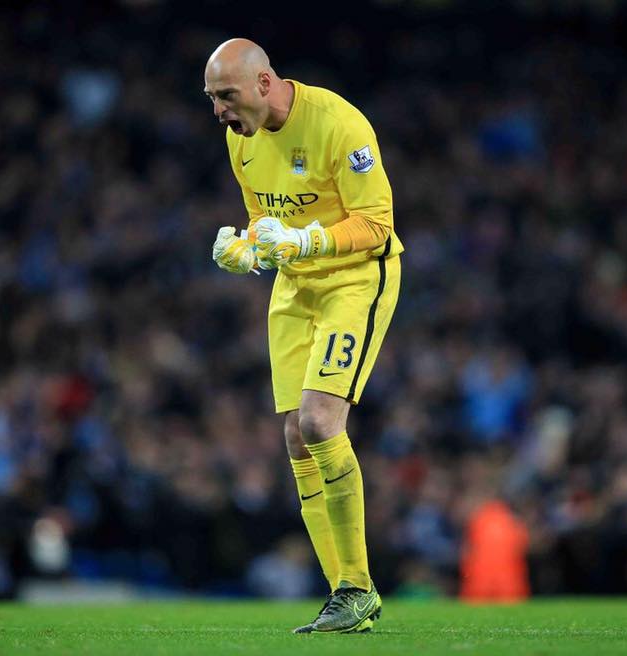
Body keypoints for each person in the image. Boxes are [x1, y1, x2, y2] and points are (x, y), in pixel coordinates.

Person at [206, 38, 403, 633]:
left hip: (354, 279)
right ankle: (347, 597)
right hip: (295, 282)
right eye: (211, 98)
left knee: (319, 421)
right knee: (296, 435)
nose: (218, 110)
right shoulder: (240, 138)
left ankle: (356, 587)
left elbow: (377, 224)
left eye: (226, 95)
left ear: (264, 83)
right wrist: (247, 250)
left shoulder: (340, 125)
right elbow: (263, 219)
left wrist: (308, 240)